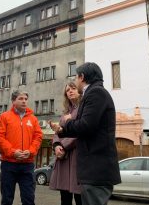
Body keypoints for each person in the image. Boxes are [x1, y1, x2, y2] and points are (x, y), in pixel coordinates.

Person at [50, 62, 121, 205]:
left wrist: (66, 124)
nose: (75, 82)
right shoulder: (93, 93)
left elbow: (86, 125)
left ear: (82, 77)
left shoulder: (96, 93)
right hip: (91, 169)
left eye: (76, 78)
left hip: (95, 169)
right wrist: (60, 137)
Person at [0, 90, 43, 205]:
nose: (24, 101)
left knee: (29, 198)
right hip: (8, 164)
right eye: (21, 99)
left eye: (26, 99)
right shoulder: (4, 117)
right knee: (7, 199)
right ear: (13, 101)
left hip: (27, 164)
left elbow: (38, 137)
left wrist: (31, 151)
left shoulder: (33, 119)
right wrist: (12, 152)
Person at [49, 82, 82, 205]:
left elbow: (80, 132)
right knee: (65, 198)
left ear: (79, 91)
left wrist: (63, 146)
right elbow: (58, 133)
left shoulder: (83, 109)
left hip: (77, 157)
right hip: (63, 159)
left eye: (73, 88)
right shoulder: (65, 113)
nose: (70, 91)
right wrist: (56, 146)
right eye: (67, 90)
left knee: (80, 197)